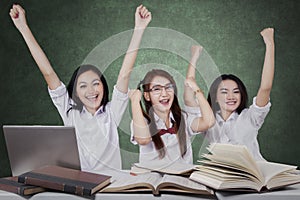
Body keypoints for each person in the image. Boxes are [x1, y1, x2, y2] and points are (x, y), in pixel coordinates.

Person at [9, 4, 152, 172]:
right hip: (78, 186)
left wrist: (139, 28)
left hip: (110, 187)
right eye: (83, 86)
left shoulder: (111, 111)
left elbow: (124, 74)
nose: (91, 91)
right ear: (75, 92)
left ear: (104, 88)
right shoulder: (69, 110)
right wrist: (23, 27)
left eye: (96, 84)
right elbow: (48, 72)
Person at [186, 28, 275, 161]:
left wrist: (270, 44)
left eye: (236, 92)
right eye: (224, 92)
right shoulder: (209, 119)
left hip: (254, 175)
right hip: (223, 176)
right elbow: (188, 95)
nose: (231, 96)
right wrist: (194, 57)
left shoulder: (251, 117)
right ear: (215, 97)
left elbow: (265, 88)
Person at [129, 49, 215, 166]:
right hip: (152, 181)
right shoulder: (142, 121)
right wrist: (135, 102)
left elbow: (209, 122)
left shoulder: (183, 118)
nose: (164, 94)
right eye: (157, 89)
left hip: (180, 181)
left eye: (168, 87)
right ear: (147, 96)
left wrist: (197, 90)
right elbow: (143, 139)